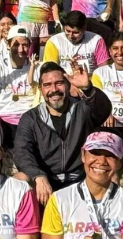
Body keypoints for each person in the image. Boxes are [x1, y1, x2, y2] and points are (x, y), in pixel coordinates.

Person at [13, 62, 114, 204]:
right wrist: (38, 175)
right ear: (41, 89)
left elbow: (103, 110)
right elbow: (21, 152)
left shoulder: (81, 109)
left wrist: (88, 88)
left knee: (112, 177)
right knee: (19, 179)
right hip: (46, 182)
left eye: (59, 83)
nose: (54, 89)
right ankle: (31, 219)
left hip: (80, 179)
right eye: (47, 85)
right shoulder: (30, 118)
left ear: (68, 85)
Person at [0, 25, 40, 150]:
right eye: (16, 45)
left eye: (25, 45)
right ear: (8, 45)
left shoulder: (37, 67)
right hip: (2, 119)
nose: (21, 49)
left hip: (28, 120)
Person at [44, 10, 110, 76]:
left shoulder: (97, 40)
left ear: (84, 29)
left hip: (91, 80)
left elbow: (103, 70)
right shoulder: (54, 42)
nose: (71, 36)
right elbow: (50, 70)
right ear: (64, 27)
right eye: (68, 31)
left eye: (75, 32)